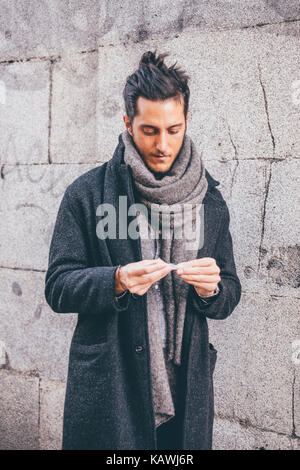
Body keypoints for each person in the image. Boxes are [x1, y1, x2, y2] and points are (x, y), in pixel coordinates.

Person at [44, 50, 241, 450]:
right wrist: (114, 280)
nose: (163, 144)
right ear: (128, 124)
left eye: (173, 129)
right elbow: (58, 287)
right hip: (113, 388)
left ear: (187, 122)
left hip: (185, 387)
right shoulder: (87, 194)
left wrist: (212, 290)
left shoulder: (210, 201)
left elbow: (230, 291)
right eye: (149, 130)